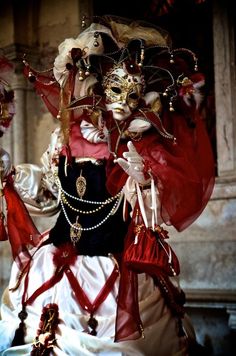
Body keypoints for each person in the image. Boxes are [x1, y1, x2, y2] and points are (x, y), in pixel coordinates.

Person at [0, 16, 215, 355]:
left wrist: (143, 181)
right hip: (52, 261)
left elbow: (154, 207)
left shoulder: (135, 138)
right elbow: (55, 198)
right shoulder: (63, 138)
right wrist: (18, 177)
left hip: (114, 266)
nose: (84, 85)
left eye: (95, 77)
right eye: (80, 75)